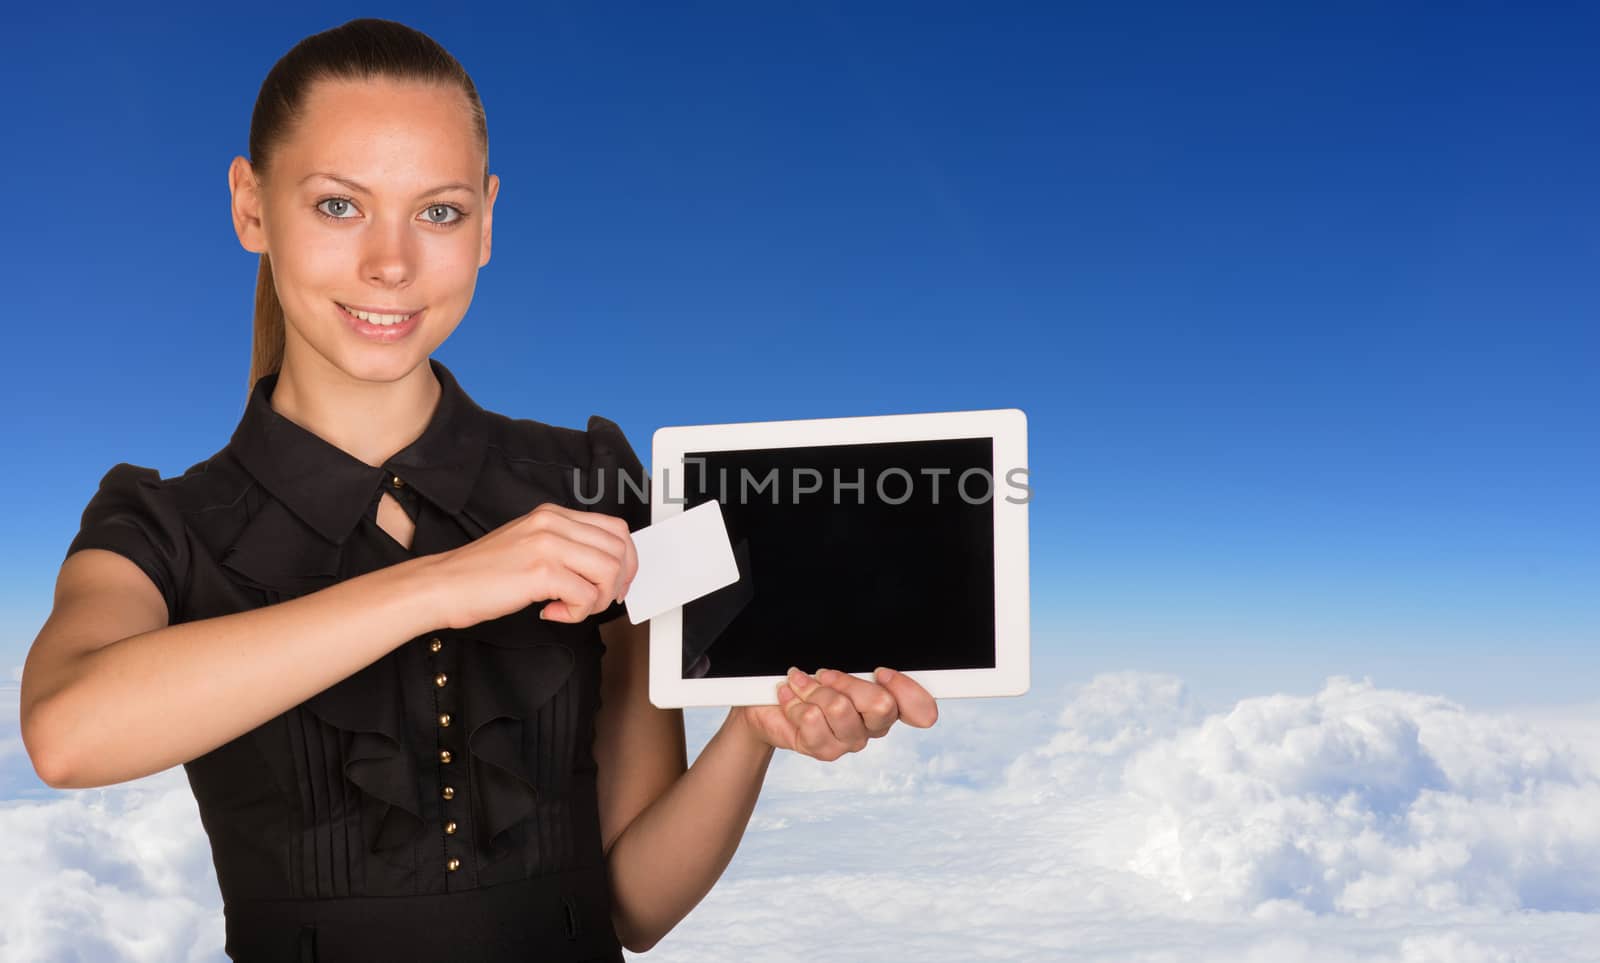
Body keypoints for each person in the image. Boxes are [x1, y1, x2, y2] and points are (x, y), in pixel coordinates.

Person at [17, 17, 938, 963]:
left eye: (440, 211)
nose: (392, 263)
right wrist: (443, 583)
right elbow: (68, 733)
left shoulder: (592, 484)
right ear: (251, 206)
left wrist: (749, 736)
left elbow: (634, 907)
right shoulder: (160, 524)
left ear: (488, 221)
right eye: (339, 206)